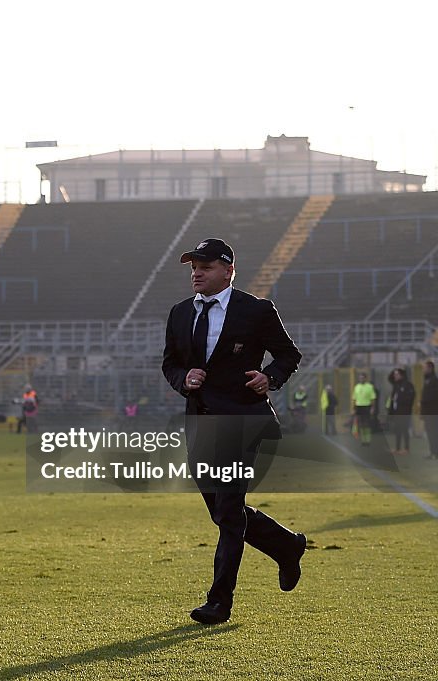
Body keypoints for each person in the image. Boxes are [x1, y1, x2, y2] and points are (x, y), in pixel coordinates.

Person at [162, 237, 306, 625]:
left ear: (228, 271)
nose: (196, 272)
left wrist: (269, 377)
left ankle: (219, 602)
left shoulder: (256, 310)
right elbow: (170, 363)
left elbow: (288, 355)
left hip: (243, 421)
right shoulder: (179, 313)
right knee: (223, 511)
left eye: (205, 266)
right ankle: (287, 545)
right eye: (193, 266)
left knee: (227, 511)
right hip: (200, 423)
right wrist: (183, 379)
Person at [386, 368, 415, 456]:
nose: (395, 376)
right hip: (396, 412)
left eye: (397, 374)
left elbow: (410, 398)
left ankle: (406, 448)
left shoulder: (408, 385)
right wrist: (395, 370)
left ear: (402, 375)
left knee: (404, 430)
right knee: (397, 430)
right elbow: (389, 378)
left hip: (405, 412)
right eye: (395, 374)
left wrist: (398, 400)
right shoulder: (396, 385)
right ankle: (397, 448)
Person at [420, 361, 438, 460]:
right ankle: (433, 452)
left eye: (425, 368)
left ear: (430, 368)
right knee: (430, 433)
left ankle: (435, 453)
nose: (423, 370)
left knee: (434, 433)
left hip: (433, 412)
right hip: (428, 412)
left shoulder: (434, 381)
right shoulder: (427, 380)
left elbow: (432, 397)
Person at [352, 373, 377, 446]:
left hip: (367, 406)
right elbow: (354, 398)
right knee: (361, 424)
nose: (361, 379)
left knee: (367, 424)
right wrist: (354, 408)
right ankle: (363, 440)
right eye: (360, 378)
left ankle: (368, 440)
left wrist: (372, 408)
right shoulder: (356, 387)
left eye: (363, 378)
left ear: (366, 378)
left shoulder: (369, 387)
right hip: (359, 407)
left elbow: (373, 398)